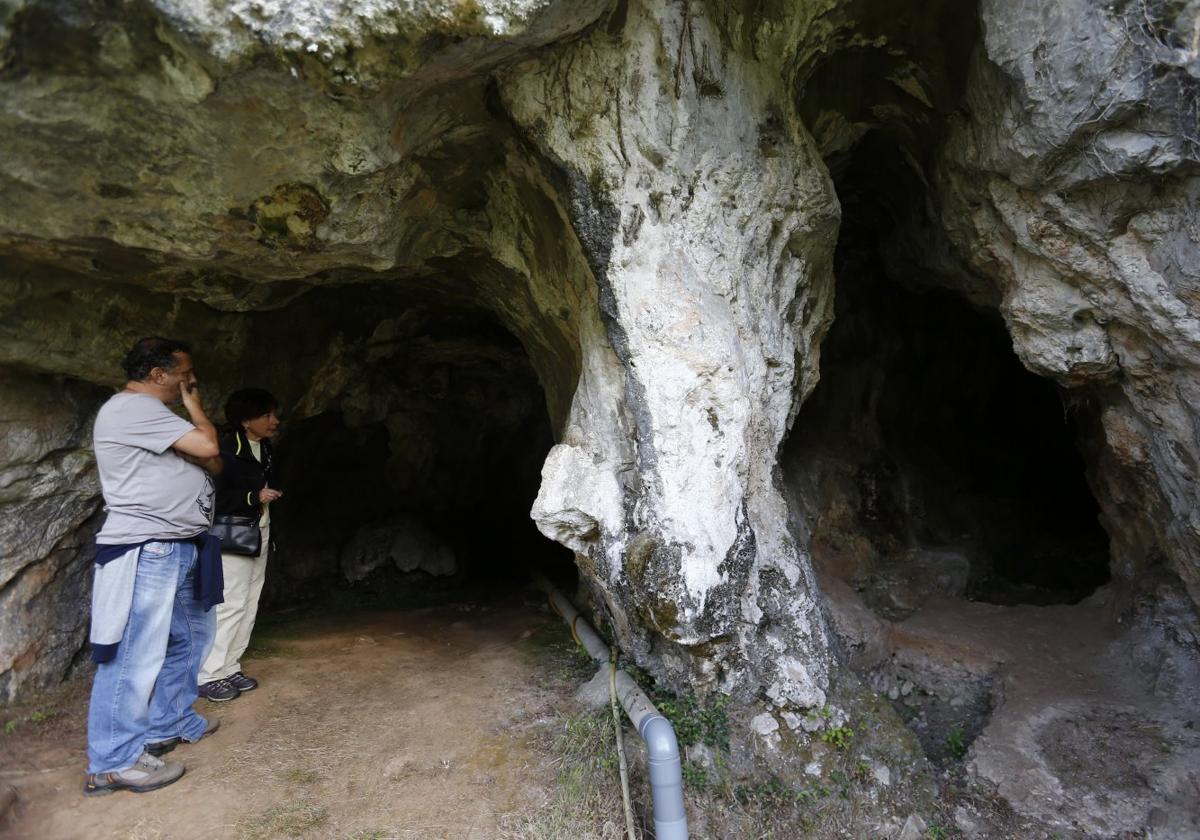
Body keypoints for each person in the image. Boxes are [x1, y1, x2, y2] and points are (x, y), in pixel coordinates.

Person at [85, 337, 224, 796]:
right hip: (148, 547)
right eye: (184, 373)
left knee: (191, 637)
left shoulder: (154, 419)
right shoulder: (132, 409)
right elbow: (207, 445)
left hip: (178, 543)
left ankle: (169, 721)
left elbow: (215, 461)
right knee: (134, 654)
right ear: (159, 375)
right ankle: (113, 762)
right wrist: (194, 404)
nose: (190, 380)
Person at [198, 388, 283, 702]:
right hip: (232, 535)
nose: (275, 421)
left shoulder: (265, 448)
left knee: (249, 602)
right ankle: (209, 674)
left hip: (259, 531)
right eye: (267, 415)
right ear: (246, 421)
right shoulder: (227, 450)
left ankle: (230, 665)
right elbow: (211, 496)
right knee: (230, 604)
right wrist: (253, 498)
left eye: (274, 414)